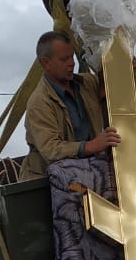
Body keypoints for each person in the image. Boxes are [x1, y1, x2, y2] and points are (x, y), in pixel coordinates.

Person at [19, 31, 121, 180]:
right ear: (46, 63)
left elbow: (114, 95)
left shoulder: (87, 83)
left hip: (88, 172)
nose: (72, 63)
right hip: (47, 182)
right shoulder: (39, 103)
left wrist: (131, 73)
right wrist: (90, 146)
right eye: (64, 59)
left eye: (72, 57)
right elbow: (51, 149)